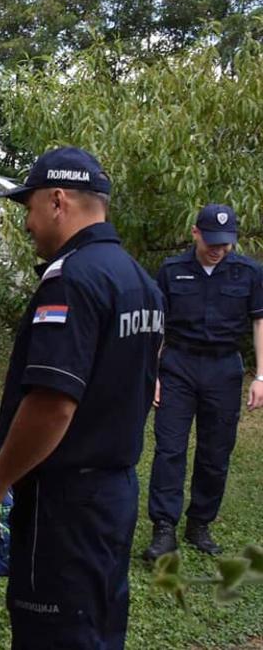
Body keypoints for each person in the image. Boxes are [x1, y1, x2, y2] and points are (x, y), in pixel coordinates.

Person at [0, 147, 163, 649]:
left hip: (65, 502)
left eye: (29, 207)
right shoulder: (137, 278)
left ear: (57, 200)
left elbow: (53, 403)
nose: (27, 223)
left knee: (53, 632)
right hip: (112, 492)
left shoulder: (72, 279)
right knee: (97, 625)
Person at [143, 203, 263, 561]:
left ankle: (200, 523)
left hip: (224, 369)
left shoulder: (248, 272)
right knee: (170, 449)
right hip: (178, 365)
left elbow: (259, 323)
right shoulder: (171, 270)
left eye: (225, 243)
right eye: (211, 240)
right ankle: (164, 528)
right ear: (195, 232)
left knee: (215, 452)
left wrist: (261, 375)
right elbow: (157, 326)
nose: (218, 248)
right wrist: (153, 374)